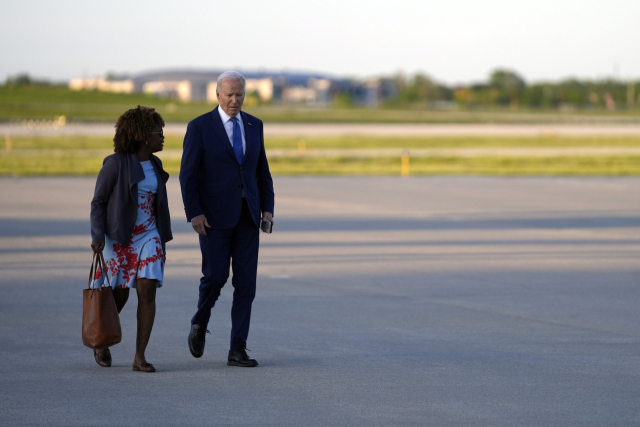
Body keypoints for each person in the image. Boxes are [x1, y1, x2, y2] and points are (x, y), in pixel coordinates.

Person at [180, 71, 275, 367]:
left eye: (240, 95)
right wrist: (193, 211)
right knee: (216, 277)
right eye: (229, 95)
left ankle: (237, 348)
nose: (235, 100)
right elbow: (188, 174)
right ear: (217, 95)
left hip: (248, 217)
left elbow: (261, 172)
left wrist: (268, 208)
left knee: (246, 285)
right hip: (213, 218)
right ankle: (200, 320)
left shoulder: (254, 125)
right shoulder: (199, 127)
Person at [90, 105, 172, 373]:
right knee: (120, 294)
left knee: (147, 289)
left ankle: (140, 357)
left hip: (149, 236)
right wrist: (98, 236)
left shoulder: (156, 164)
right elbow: (98, 202)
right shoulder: (115, 164)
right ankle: (101, 340)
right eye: (158, 132)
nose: (163, 137)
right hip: (119, 237)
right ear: (141, 136)